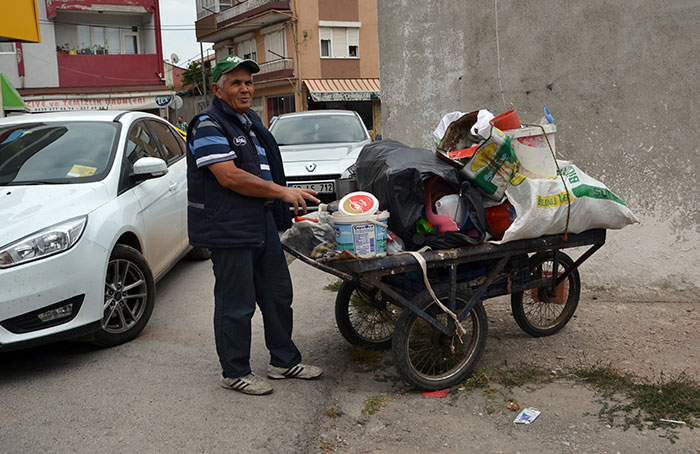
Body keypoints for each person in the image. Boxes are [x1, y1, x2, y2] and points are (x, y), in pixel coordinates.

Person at [186, 55, 322, 395]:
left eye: (248, 82)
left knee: (277, 294)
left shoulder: (249, 123)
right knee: (237, 302)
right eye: (236, 82)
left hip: (259, 221)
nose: (245, 88)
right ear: (217, 88)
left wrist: (278, 201)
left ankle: (283, 362)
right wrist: (282, 192)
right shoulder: (208, 124)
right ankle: (234, 371)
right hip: (229, 227)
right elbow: (229, 176)